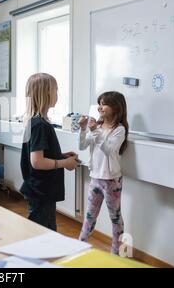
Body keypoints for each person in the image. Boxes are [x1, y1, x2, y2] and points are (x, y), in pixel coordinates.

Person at [20, 73, 79, 231]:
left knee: (45, 231)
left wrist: (61, 156)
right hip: (41, 190)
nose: (57, 94)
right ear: (46, 93)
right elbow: (37, 162)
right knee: (43, 233)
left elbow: (41, 154)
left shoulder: (36, 122)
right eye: (55, 90)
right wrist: (64, 163)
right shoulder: (39, 125)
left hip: (40, 189)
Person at [78, 91, 129, 255]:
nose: (100, 107)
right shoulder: (98, 126)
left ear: (116, 108)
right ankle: (80, 245)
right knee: (89, 216)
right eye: (99, 103)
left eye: (104, 104)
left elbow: (108, 149)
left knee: (115, 218)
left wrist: (95, 131)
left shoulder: (119, 129)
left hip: (111, 181)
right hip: (95, 178)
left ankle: (118, 253)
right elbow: (82, 146)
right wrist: (83, 129)